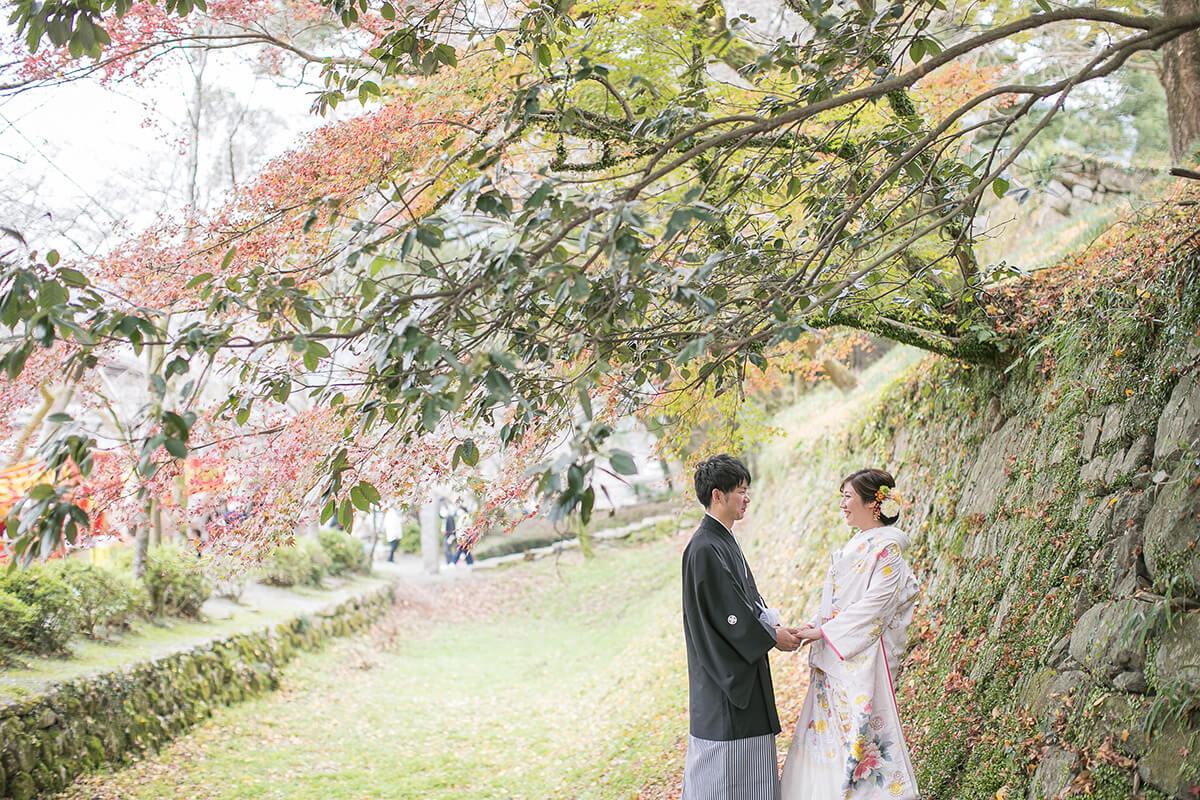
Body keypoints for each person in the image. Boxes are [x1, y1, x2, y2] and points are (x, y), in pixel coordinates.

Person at [780, 468, 920, 800]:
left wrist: (824, 632)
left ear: (874, 503)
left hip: (860, 657)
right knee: (828, 734)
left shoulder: (888, 550)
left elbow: (875, 606)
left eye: (848, 496)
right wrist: (815, 626)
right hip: (836, 651)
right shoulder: (857, 545)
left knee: (858, 734)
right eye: (841, 496)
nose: (843, 504)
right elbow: (838, 601)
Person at [681, 454, 805, 800]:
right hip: (725, 680)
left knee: (745, 775)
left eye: (747, 490)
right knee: (724, 776)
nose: (747, 498)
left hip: (739, 671)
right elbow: (727, 615)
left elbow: (743, 601)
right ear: (717, 495)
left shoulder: (721, 540)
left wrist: (770, 622)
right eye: (740, 491)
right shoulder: (705, 547)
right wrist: (771, 636)